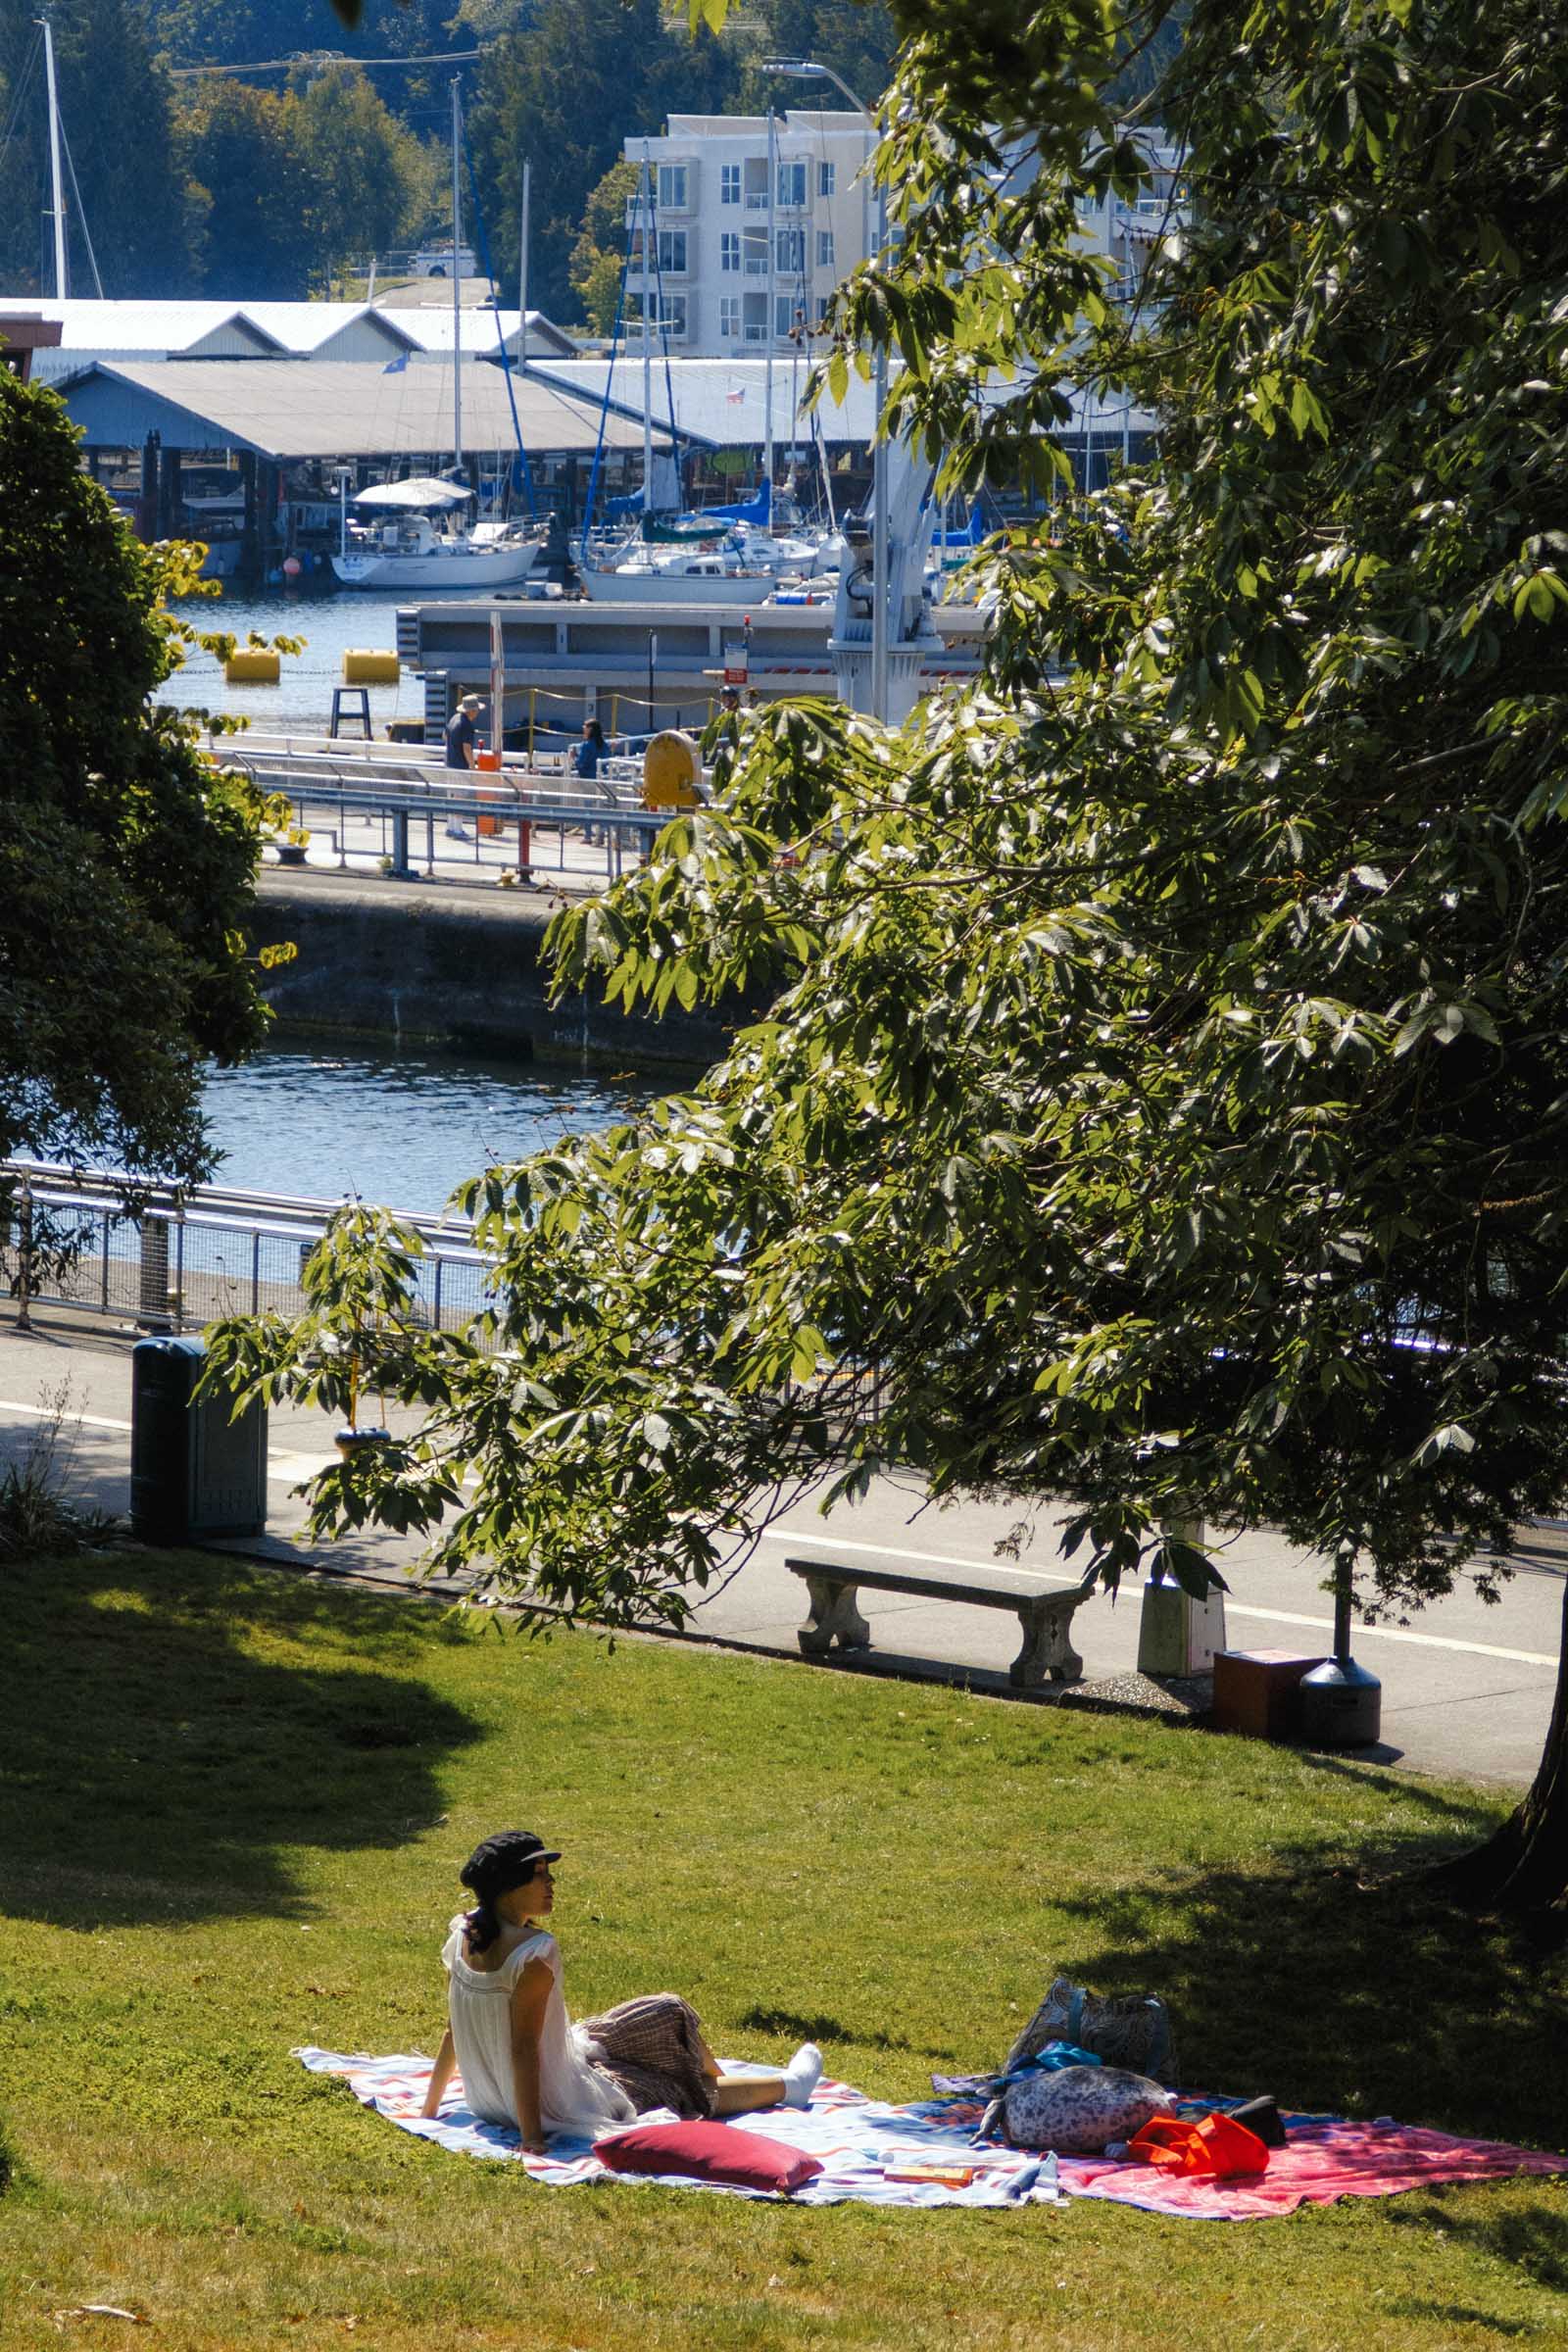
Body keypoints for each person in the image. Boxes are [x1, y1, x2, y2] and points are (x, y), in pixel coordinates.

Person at [418, 1830, 823, 2151]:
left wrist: (430, 2108)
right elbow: (523, 2050)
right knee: (685, 2087)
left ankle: (718, 2081)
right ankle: (785, 2088)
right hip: (558, 2104)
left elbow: (454, 2029)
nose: (551, 1882)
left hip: (493, 2099)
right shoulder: (534, 1955)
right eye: (539, 1874)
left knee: (666, 2010)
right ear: (508, 1886)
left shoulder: (463, 1933)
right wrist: (532, 2137)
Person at [444, 693, 482, 840]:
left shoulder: (454, 719)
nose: (478, 712)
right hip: (461, 766)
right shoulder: (467, 725)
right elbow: (467, 748)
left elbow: (445, 736)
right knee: (460, 797)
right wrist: (472, 767)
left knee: (453, 797)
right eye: (477, 709)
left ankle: (451, 827)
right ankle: (458, 830)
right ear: (472, 711)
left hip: (450, 763)